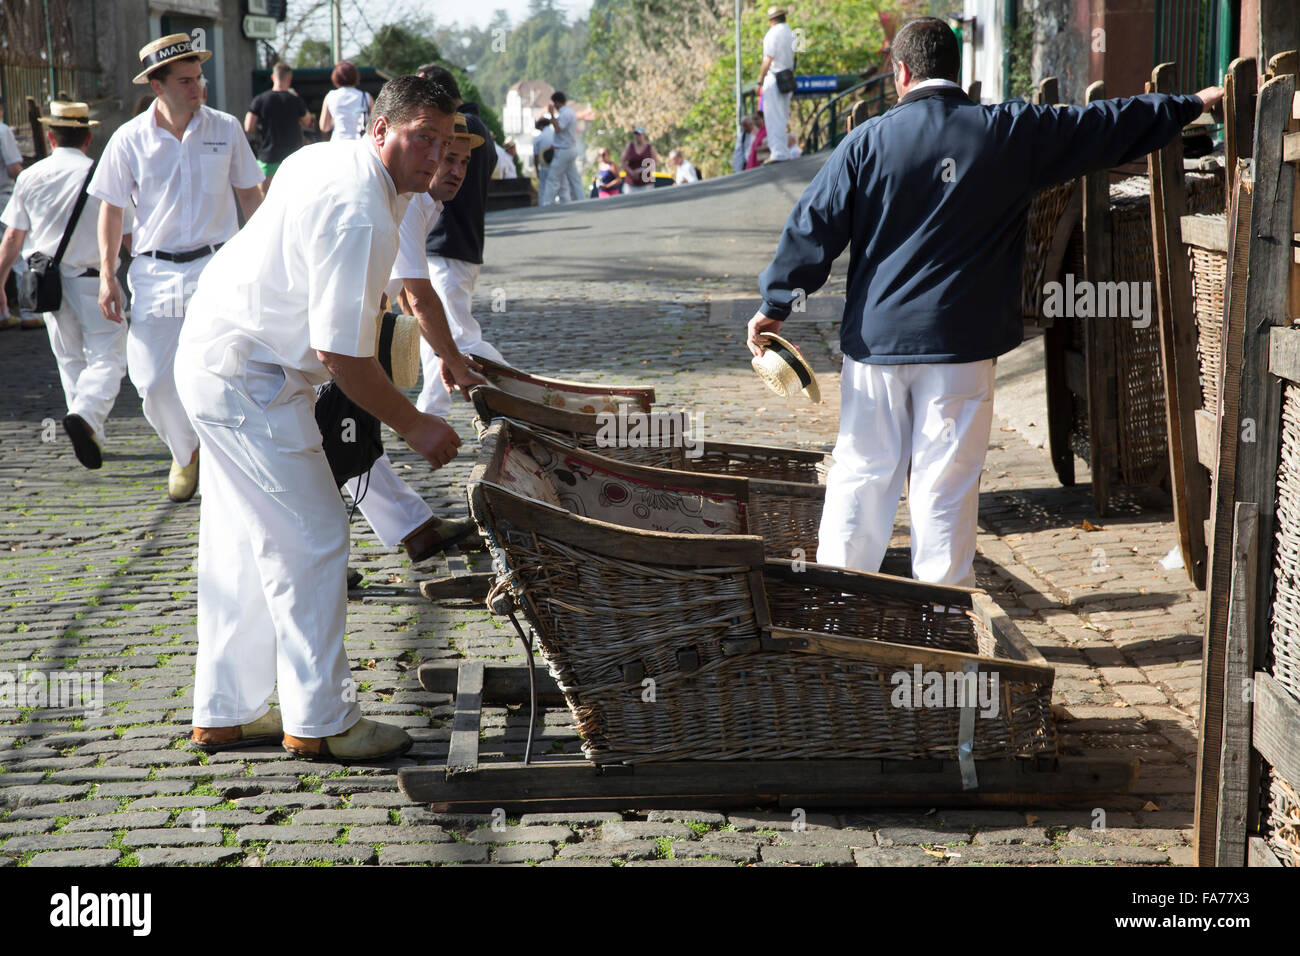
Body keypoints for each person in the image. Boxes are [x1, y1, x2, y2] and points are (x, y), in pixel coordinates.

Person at [747, 16, 1224, 588]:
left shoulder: (866, 142)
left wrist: (777, 302)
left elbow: (813, 226)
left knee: (862, 473)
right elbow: (1101, 125)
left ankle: (840, 610)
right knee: (945, 485)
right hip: (962, 345)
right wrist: (1187, 104)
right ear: (959, 74)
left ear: (900, 73)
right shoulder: (1007, 132)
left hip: (876, 346)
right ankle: (944, 621)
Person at [178, 74, 462, 763]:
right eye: (421, 137)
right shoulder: (361, 206)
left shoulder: (326, 158)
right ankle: (321, 720)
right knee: (312, 539)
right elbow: (342, 352)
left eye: (446, 142)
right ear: (380, 129)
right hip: (250, 376)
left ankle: (226, 710)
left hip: (221, 355)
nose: (435, 155)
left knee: (243, 544)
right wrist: (416, 426)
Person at [90, 33, 264, 503]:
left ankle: (234, 457)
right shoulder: (128, 139)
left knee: (232, 367)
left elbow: (251, 194)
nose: (198, 87)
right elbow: (110, 208)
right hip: (156, 271)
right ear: (156, 85)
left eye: (199, 77)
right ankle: (186, 451)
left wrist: (267, 255)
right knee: (151, 380)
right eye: (185, 80)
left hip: (219, 264)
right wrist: (108, 274)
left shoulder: (225, 128)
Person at [345, 113, 489, 563]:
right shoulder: (407, 200)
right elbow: (420, 294)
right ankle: (400, 534)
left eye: (464, 161)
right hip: (327, 333)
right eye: (447, 157)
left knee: (346, 439)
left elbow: (407, 286)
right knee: (340, 440)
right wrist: (456, 362)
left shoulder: (424, 203)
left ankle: (414, 530)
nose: (455, 170)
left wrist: (438, 350)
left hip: (357, 323)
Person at [0, 101, 134, 468]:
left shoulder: (30, 176)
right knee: (109, 357)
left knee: (69, 359)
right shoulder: (104, 174)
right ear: (88, 137)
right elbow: (128, 236)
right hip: (96, 279)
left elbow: (13, 237)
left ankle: (92, 430)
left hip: (48, 284)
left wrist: (0, 280)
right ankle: (88, 416)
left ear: (49, 136)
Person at [412, 64, 499, 419]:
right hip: (463, 242)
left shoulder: (457, 129)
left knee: (459, 337)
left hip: (446, 242)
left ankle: (521, 394)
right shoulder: (484, 132)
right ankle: (432, 408)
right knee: (437, 331)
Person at [0, 96, 38, 330]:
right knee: (18, 255)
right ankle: (28, 312)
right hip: (3, 198)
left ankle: (2, 314)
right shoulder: (3, 130)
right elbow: (14, 168)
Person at [245, 61, 312, 193]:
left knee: (263, 199)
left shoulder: (260, 99)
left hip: (268, 156)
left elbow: (248, 127)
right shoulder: (295, 100)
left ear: (272, 77)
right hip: (293, 157)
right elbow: (307, 121)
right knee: (293, 196)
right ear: (289, 79)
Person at [756, 6, 796, 163]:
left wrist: (759, 80)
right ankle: (782, 150)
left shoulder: (772, 34)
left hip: (774, 78)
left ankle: (778, 152)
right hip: (787, 76)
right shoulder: (790, 33)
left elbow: (768, 59)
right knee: (783, 115)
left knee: (773, 117)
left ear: (771, 20)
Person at [539, 91, 582, 205]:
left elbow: (558, 129)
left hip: (564, 150)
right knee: (574, 178)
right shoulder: (569, 112)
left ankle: (546, 203)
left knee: (553, 178)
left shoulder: (565, 114)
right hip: (569, 148)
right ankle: (581, 199)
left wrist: (552, 115)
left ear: (557, 102)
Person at [319, 61, 371, 141]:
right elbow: (374, 123)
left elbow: (324, 126)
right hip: (360, 143)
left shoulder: (330, 96)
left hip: (338, 142)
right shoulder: (366, 96)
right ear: (356, 76)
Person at [621, 126, 659, 192]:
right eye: (636, 134)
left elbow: (655, 163)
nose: (637, 136)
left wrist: (641, 170)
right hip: (631, 184)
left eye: (639, 134)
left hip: (646, 184)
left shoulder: (650, 148)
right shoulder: (630, 146)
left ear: (644, 135)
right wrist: (631, 172)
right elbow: (623, 161)